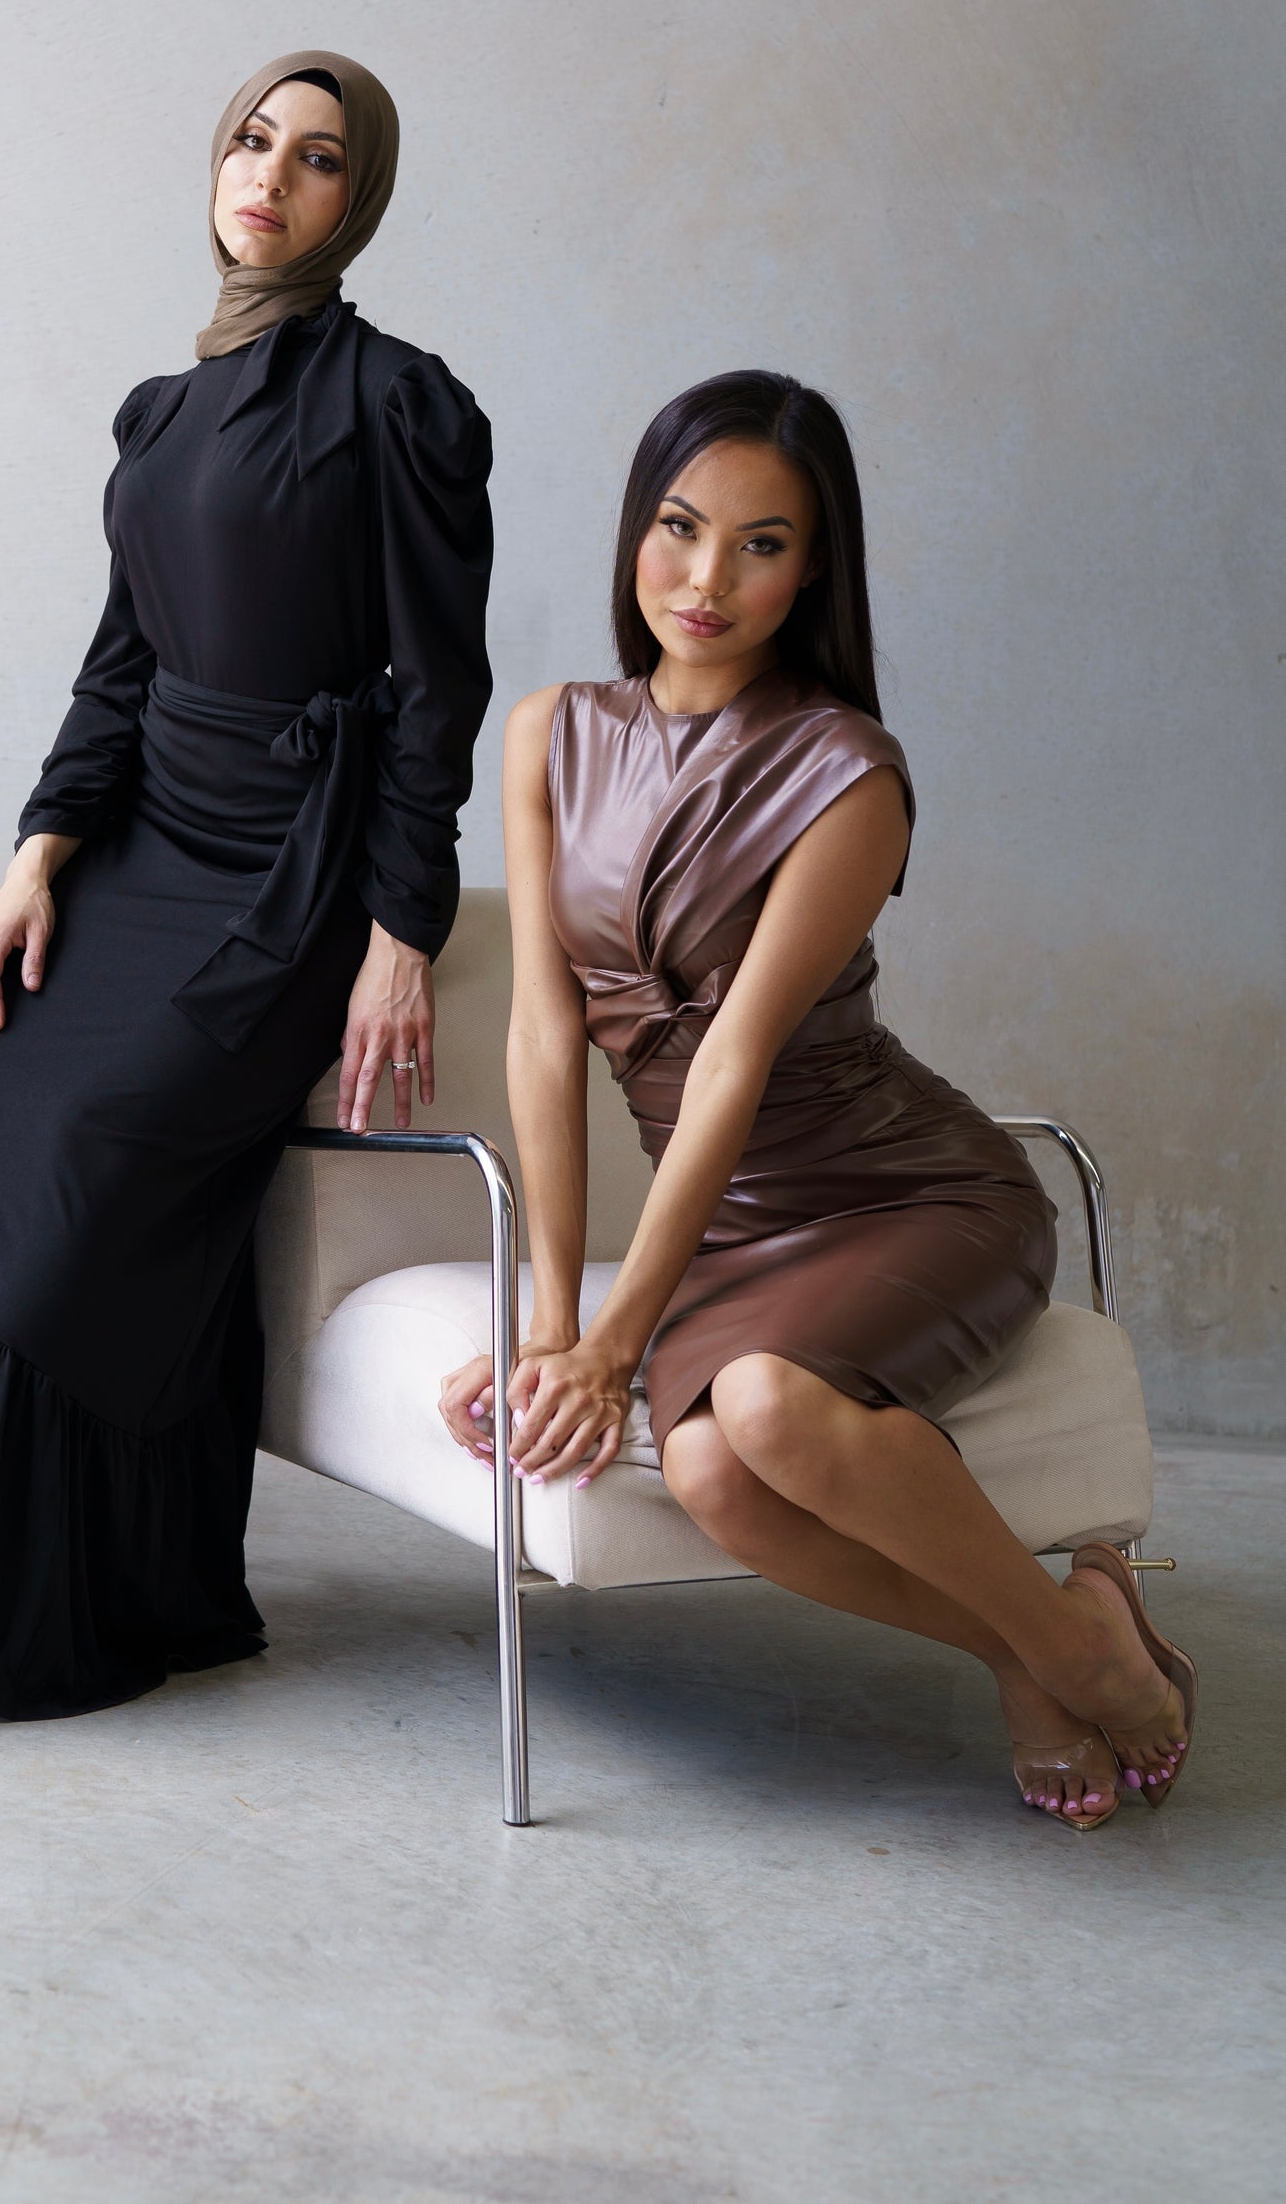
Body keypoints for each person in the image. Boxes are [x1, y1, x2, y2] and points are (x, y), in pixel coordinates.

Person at [0, 51, 492, 1717]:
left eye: (318, 157)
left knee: (84, 1153)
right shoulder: (160, 413)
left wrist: (400, 931)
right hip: (136, 850)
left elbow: (438, 691)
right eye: (252, 139)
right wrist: (31, 866)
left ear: (360, 201)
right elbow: (118, 665)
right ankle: (135, 1590)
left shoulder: (400, 403)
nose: (270, 174)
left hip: (284, 881)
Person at [440, 372, 1195, 1829]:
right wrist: (550, 1331)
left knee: (766, 1408)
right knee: (715, 1473)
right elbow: (544, 1030)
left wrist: (615, 1345)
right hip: (730, 1225)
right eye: (678, 527)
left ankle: (1065, 1660)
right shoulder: (547, 731)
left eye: (761, 545)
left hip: (912, 1194)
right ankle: (1057, 1645)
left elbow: (729, 1062)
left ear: (813, 570)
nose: (705, 580)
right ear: (634, 527)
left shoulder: (848, 773)